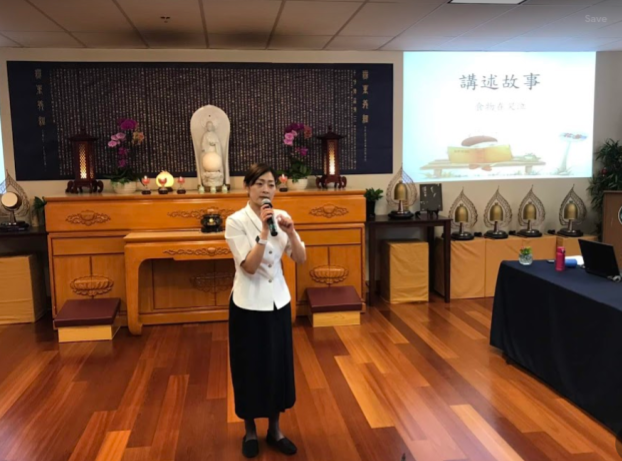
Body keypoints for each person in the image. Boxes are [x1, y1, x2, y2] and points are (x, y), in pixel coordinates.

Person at [224, 163, 306, 458]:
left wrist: (292, 233)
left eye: (271, 184)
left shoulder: (282, 218)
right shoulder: (235, 221)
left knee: (277, 366)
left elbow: (300, 257)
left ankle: (275, 429)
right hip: (248, 304)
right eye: (259, 183)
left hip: (277, 303)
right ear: (247, 187)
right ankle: (249, 430)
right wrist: (262, 230)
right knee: (249, 367)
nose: (266, 189)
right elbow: (248, 266)